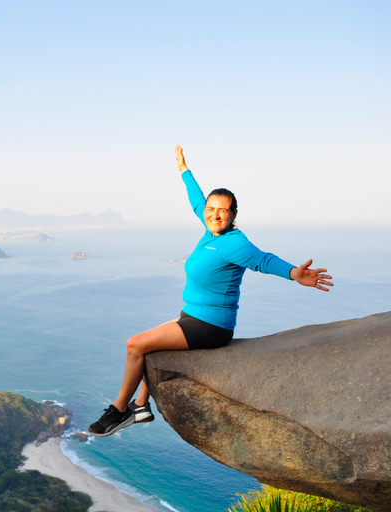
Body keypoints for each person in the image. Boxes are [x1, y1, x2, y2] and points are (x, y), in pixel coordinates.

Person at [88, 144, 333, 437]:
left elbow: (263, 260)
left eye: (222, 210)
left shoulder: (234, 243)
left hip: (211, 326)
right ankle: (141, 405)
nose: (214, 214)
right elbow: (196, 200)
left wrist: (295, 273)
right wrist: (184, 169)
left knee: (135, 344)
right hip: (192, 316)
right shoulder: (209, 230)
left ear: (234, 214)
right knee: (151, 344)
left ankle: (120, 411)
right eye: (211, 209)